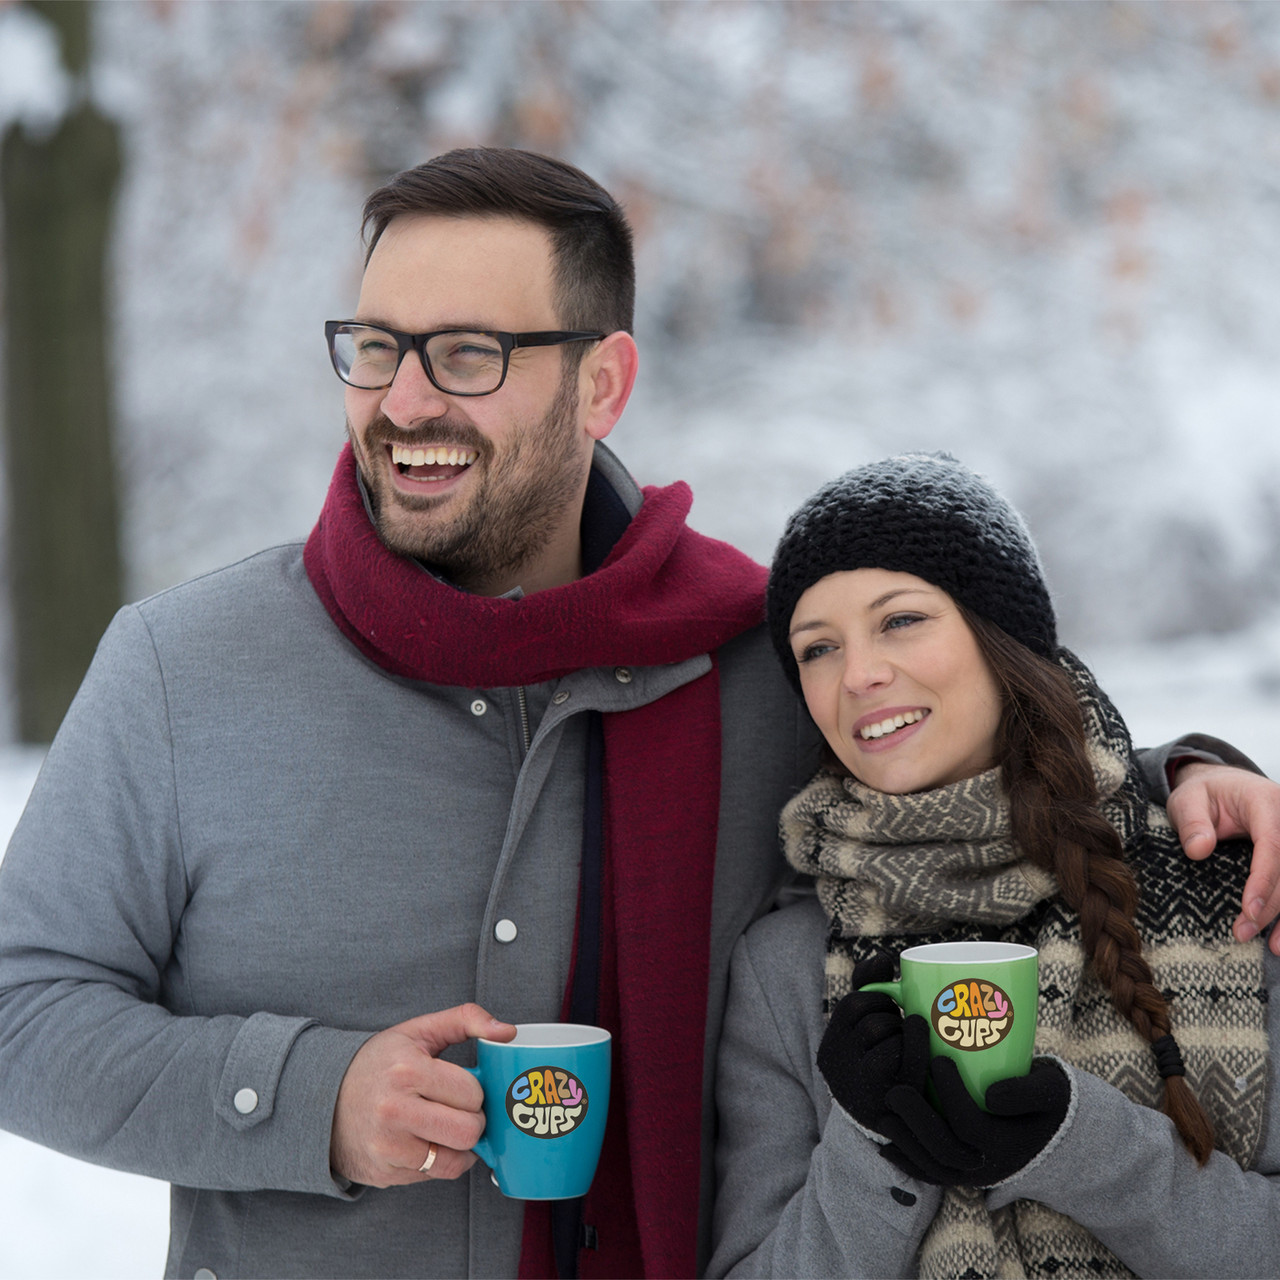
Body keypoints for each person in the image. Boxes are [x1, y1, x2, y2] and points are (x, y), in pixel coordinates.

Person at [0, 150, 1273, 1280]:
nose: (401, 403)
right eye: (375, 345)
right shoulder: (185, 669)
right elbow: (21, 1008)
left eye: (467, 353)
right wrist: (305, 1097)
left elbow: (964, 743)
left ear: (601, 381)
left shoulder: (747, 656)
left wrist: (1182, 783)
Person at [708, 453, 1280, 1279]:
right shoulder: (784, 970)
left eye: (900, 619)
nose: (859, 673)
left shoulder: (1234, 884)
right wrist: (874, 1147)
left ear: (999, 635)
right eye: (817, 648)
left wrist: (1081, 1148)